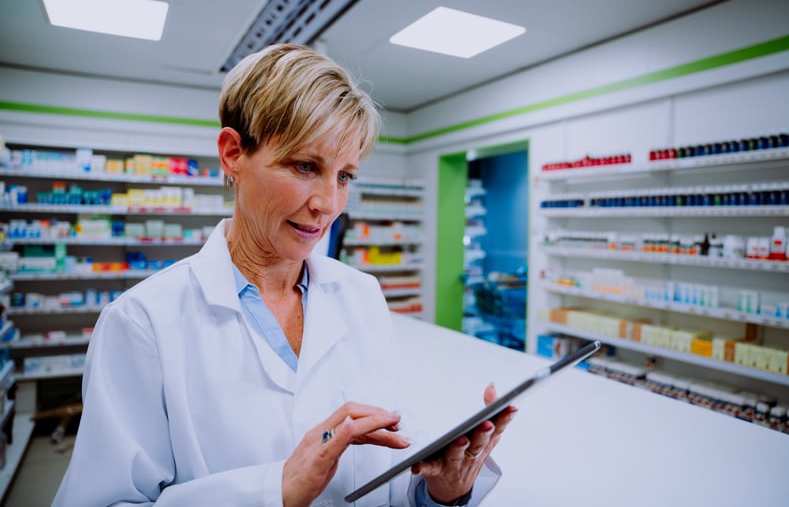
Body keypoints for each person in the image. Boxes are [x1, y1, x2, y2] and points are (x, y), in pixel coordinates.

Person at [53, 43, 515, 507]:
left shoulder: (361, 295)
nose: (328, 203)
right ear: (233, 153)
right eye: (305, 166)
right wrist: (275, 492)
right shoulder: (142, 323)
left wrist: (440, 490)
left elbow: (385, 474)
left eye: (345, 176)